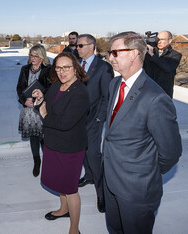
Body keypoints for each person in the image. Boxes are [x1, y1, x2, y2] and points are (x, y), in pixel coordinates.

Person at [103, 31, 182, 233]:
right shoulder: (114, 85)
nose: (110, 57)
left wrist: (144, 174)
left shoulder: (155, 98)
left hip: (136, 191)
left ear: (134, 54)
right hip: (111, 182)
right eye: (109, 53)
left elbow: (171, 152)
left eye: (115, 53)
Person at [32, 52, 89, 234]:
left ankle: (74, 228)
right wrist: (40, 100)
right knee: (60, 184)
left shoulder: (80, 93)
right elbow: (47, 106)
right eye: (58, 68)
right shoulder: (57, 85)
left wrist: (44, 114)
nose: (62, 72)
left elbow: (64, 123)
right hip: (53, 143)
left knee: (70, 188)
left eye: (66, 68)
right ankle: (63, 210)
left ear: (76, 69)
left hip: (70, 148)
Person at [76, 34, 113, 213]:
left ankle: (101, 193)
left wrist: (100, 118)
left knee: (93, 155)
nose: (77, 48)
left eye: (81, 45)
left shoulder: (104, 68)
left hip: (93, 120)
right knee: (82, 151)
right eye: (77, 46)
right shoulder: (77, 64)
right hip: (77, 119)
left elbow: (107, 96)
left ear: (91, 47)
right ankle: (89, 176)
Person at [16, 44, 51, 177]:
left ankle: (48, 163)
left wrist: (39, 100)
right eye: (31, 55)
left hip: (42, 108)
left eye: (36, 56)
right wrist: (24, 100)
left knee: (44, 136)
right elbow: (19, 88)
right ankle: (37, 161)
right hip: (29, 109)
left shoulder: (48, 70)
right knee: (33, 135)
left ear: (42, 57)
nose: (33, 58)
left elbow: (50, 88)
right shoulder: (24, 69)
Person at [143, 30, 182, 98]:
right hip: (147, 91)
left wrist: (152, 55)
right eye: (158, 39)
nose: (159, 41)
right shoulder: (149, 51)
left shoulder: (175, 55)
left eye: (162, 39)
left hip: (163, 93)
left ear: (170, 41)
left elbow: (167, 67)